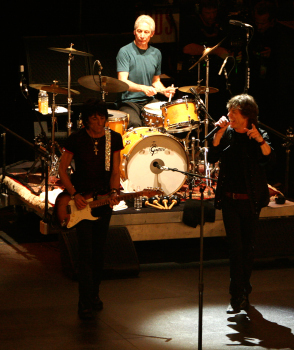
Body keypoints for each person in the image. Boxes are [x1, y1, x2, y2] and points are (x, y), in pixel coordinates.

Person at [58, 99, 124, 320]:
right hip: (81, 201)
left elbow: (115, 171)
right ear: (86, 120)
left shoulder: (113, 138)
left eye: (102, 117)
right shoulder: (76, 139)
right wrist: (74, 194)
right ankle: (84, 300)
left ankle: (94, 295)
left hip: (103, 200)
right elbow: (62, 170)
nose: (99, 121)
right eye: (95, 117)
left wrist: (114, 192)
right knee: (85, 252)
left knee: (99, 252)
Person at [208, 94, 274, 314]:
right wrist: (217, 134)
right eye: (229, 112)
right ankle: (236, 296)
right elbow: (212, 157)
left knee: (248, 249)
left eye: (233, 113)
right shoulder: (226, 134)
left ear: (246, 115)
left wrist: (259, 140)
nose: (229, 116)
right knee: (235, 249)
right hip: (230, 200)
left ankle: (244, 288)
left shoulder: (257, 135)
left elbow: (268, 156)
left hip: (251, 202)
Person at [116, 15, 176, 129]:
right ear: (134, 32)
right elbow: (122, 81)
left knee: (167, 120)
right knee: (135, 125)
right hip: (129, 101)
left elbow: (155, 80)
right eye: (139, 31)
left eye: (146, 32)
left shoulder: (156, 53)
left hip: (149, 101)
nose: (142, 35)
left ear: (152, 34)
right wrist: (143, 88)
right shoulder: (124, 52)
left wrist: (164, 91)